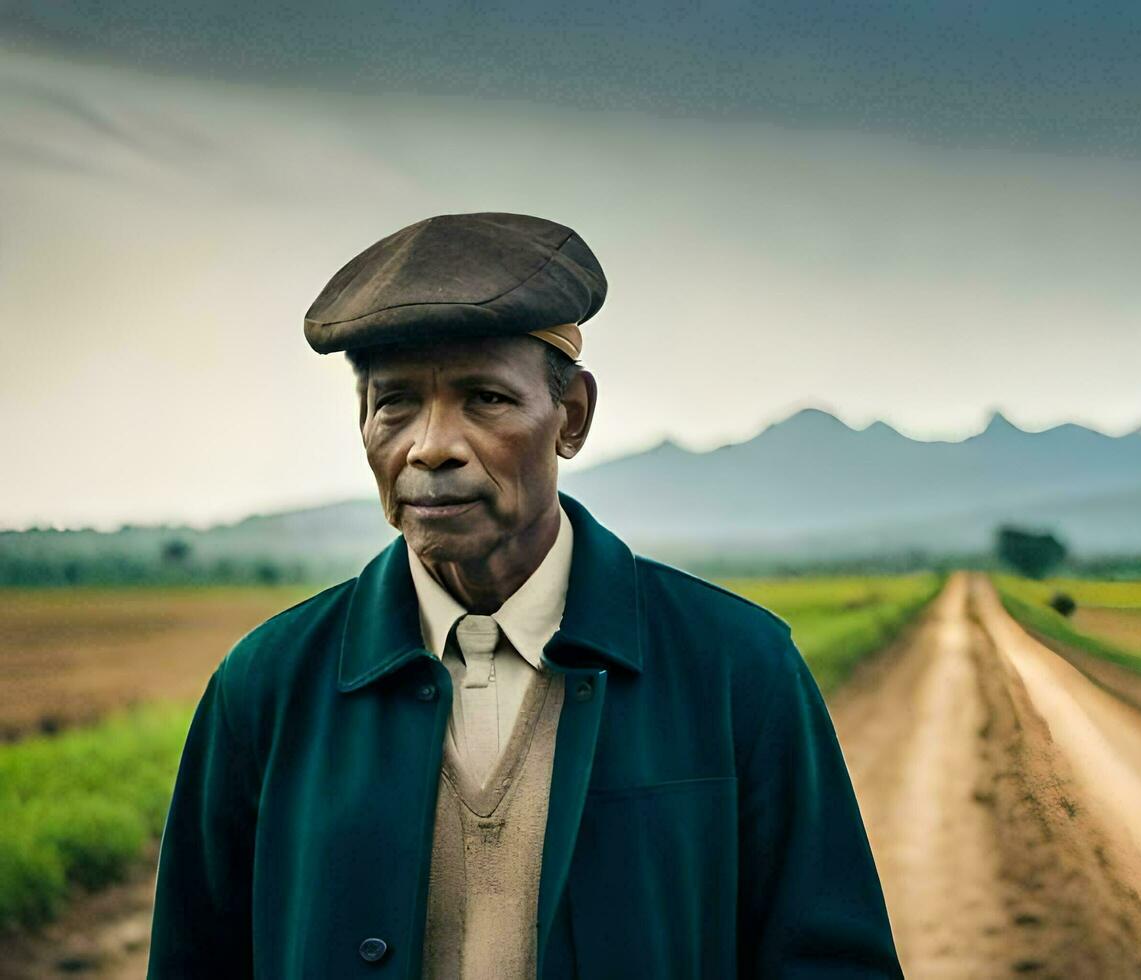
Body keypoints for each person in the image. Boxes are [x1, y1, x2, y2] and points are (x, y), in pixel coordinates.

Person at [146, 212, 903, 979]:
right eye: (395, 403)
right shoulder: (267, 685)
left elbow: (831, 961)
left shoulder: (736, 666)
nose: (431, 446)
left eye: (485, 399)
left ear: (570, 417)